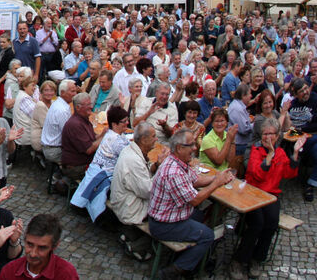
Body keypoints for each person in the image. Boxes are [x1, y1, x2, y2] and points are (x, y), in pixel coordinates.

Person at [148, 128, 235, 278]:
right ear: (179, 148)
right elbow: (194, 200)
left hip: (169, 215)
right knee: (207, 235)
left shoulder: (179, 161)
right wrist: (216, 184)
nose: (195, 148)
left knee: (199, 216)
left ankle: (192, 257)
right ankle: (173, 271)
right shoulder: (174, 171)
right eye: (191, 145)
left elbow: (196, 180)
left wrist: (217, 178)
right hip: (162, 225)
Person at [229, 118, 305, 279]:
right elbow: (257, 174)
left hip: (271, 196)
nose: (268, 137)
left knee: (271, 223)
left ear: (277, 136)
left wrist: (296, 153)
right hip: (252, 194)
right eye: (265, 133)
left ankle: (257, 258)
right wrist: (269, 157)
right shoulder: (255, 150)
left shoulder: (281, 153)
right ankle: (238, 260)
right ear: (261, 135)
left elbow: (289, 174)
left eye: (271, 133)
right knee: (257, 224)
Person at [109, 123, 164, 261]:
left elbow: (142, 179)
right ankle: (139, 246)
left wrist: (157, 164)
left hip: (124, 200)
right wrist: (162, 170)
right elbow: (148, 191)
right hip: (128, 207)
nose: (156, 139)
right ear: (143, 140)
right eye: (153, 136)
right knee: (167, 212)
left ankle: (129, 235)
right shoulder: (133, 159)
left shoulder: (131, 150)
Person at [0, 213, 79, 280]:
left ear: (55, 246)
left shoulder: (67, 275)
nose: (33, 254)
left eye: (42, 248)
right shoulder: (9, 271)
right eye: (30, 244)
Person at [60, 92, 106, 181]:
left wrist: (103, 134)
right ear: (78, 107)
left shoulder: (83, 119)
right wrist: (105, 138)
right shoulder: (75, 124)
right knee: (109, 171)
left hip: (81, 163)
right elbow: (89, 149)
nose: (91, 107)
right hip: (76, 168)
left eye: (91, 104)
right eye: (88, 105)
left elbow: (92, 139)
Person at [41, 79, 76, 167]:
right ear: (63, 92)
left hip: (49, 146)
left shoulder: (58, 103)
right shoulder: (62, 110)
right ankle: (64, 177)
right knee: (83, 158)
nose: (75, 94)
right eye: (72, 91)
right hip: (54, 150)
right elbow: (68, 135)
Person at [200, 108, 240, 173]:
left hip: (223, 173)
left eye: (222, 121)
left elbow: (229, 159)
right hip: (209, 174)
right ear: (212, 124)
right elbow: (218, 161)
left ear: (226, 123)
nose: (219, 124)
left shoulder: (227, 135)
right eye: (216, 121)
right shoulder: (207, 139)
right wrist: (229, 139)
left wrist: (232, 140)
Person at [30, 80, 56, 157]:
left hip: (48, 136)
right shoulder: (40, 105)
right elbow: (47, 126)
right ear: (41, 92)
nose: (49, 93)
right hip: (39, 139)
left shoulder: (52, 103)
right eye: (46, 90)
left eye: (51, 90)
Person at [227, 83, 254, 157]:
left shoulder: (239, 106)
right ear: (243, 96)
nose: (251, 96)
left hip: (241, 143)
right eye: (249, 94)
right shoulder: (237, 108)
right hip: (239, 145)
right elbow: (244, 129)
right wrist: (256, 124)